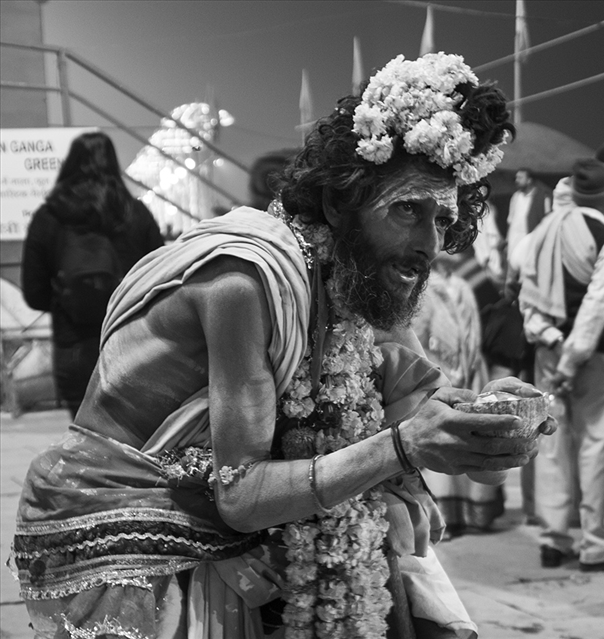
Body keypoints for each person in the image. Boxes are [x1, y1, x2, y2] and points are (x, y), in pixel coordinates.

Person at [12, 53, 556, 639]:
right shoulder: (244, 284)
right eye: (407, 210)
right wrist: (402, 448)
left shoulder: (361, 274)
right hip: (142, 534)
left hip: (249, 525)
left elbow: (419, 399)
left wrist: (483, 421)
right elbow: (242, 494)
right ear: (335, 206)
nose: (429, 243)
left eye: (442, 220)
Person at [519, 158, 604, 572]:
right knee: (599, 448)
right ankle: (597, 545)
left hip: (546, 351)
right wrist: (571, 361)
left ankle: (553, 540)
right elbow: (597, 308)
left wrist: (554, 345)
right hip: (592, 359)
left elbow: (527, 304)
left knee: (552, 445)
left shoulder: (538, 234)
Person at [20, 131, 165, 418]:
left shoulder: (48, 217)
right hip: (130, 342)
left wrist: (67, 301)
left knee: (84, 435)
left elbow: (34, 293)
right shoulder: (136, 214)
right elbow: (160, 278)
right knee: (133, 437)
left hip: (73, 345)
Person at [414, 251, 506, 537]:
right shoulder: (425, 288)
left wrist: (469, 363)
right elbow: (418, 333)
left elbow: (473, 328)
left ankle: (472, 513)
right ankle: (445, 517)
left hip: (470, 370)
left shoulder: (463, 286)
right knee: (444, 439)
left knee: (471, 436)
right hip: (438, 371)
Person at [505, 167, 551, 264]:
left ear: (529, 180)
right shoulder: (516, 197)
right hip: (514, 239)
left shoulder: (542, 197)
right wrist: (507, 240)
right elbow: (510, 220)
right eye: (516, 178)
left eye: (520, 178)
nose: (517, 180)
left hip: (530, 239)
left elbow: (548, 220)